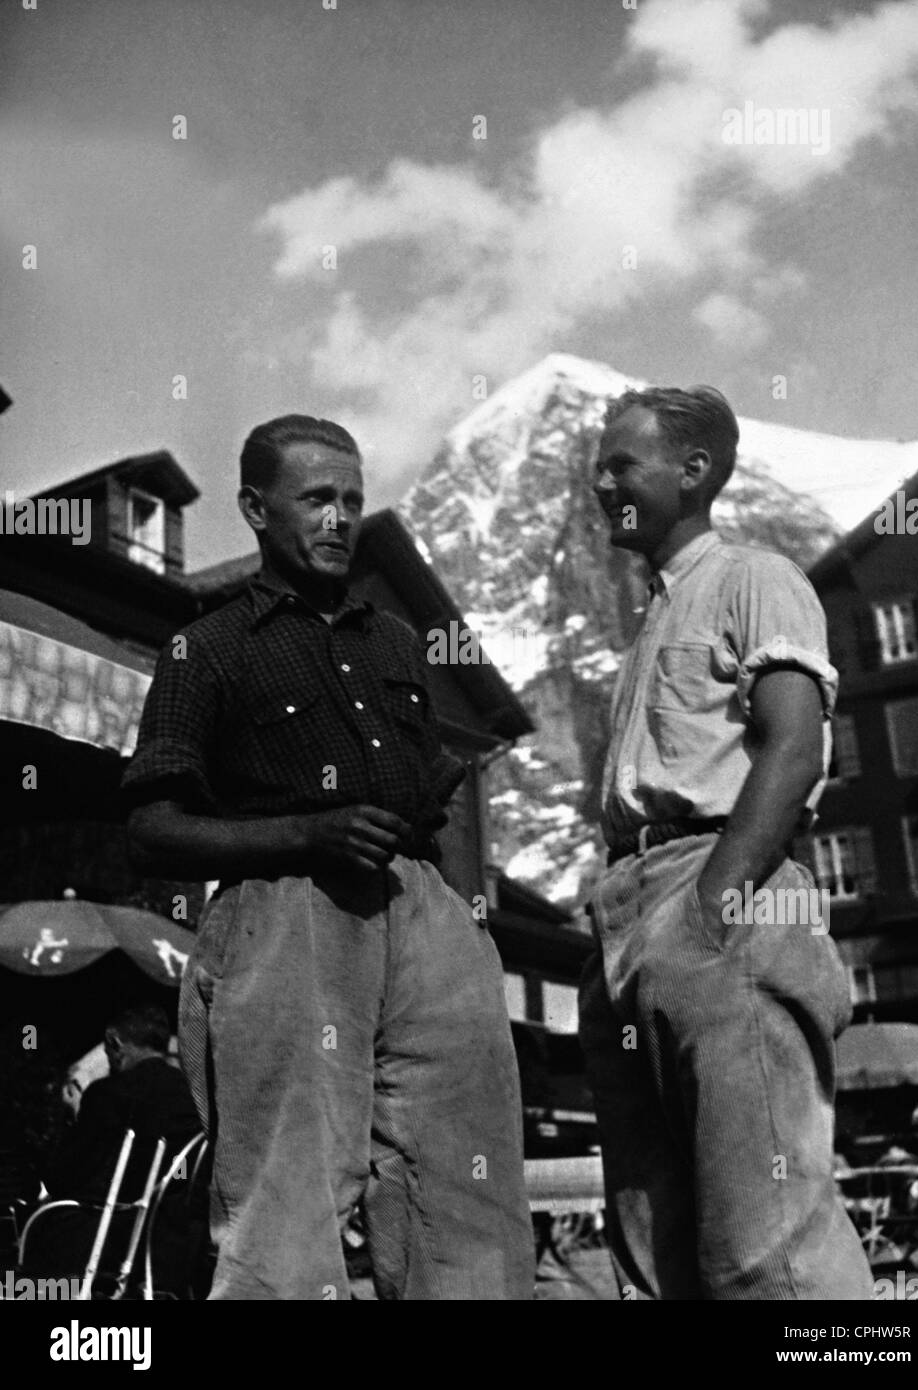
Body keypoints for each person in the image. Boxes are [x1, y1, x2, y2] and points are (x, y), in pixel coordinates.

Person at [122, 414, 533, 1301]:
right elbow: (153, 827)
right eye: (315, 498)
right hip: (285, 918)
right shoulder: (208, 648)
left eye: (352, 498)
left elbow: (442, 792)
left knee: (466, 1195)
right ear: (256, 509)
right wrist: (303, 834)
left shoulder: (395, 642)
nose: (340, 518)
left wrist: (465, 920)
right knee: (287, 1197)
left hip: (421, 916)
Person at [579, 385, 873, 1300]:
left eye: (621, 463)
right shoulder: (652, 621)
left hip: (716, 890)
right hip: (629, 913)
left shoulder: (752, 576)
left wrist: (714, 906)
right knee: (654, 1242)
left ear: (694, 470)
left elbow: (794, 746)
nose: (600, 480)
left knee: (768, 1244)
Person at [44, 1004, 200, 1203]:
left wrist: (75, 1118)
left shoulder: (108, 1094)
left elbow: (63, 1179)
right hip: (179, 1221)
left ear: (115, 1044)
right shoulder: (193, 1094)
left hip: (121, 1223)